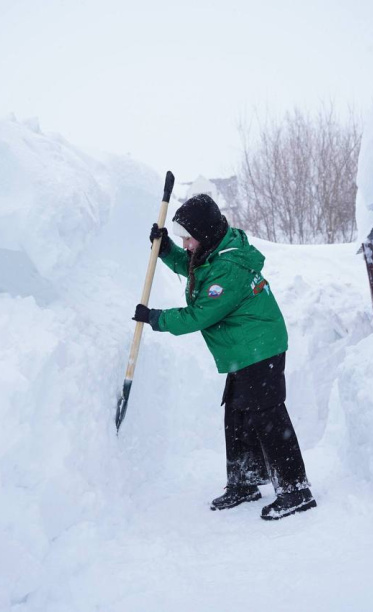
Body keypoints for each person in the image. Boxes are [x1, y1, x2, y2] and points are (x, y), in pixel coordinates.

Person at [132, 193, 316, 521]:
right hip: (244, 349)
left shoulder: (228, 267)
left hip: (260, 348)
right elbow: (195, 270)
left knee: (268, 417)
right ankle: (245, 482)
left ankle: (295, 490)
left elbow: (200, 314)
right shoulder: (214, 251)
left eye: (188, 238)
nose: (186, 244)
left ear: (204, 233)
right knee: (238, 414)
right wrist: (166, 250)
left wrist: (157, 318)